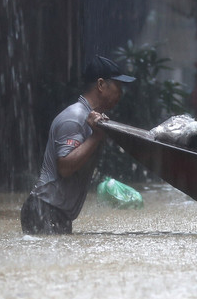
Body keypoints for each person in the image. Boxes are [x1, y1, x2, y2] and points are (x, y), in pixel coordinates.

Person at [21, 55, 136, 234]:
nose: (121, 93)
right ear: (100, 85)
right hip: (44, 211)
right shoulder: (74, 118)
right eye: (118, 86)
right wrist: (96, 137)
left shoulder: (91, 118)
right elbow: (65, 167)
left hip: (54, 213)